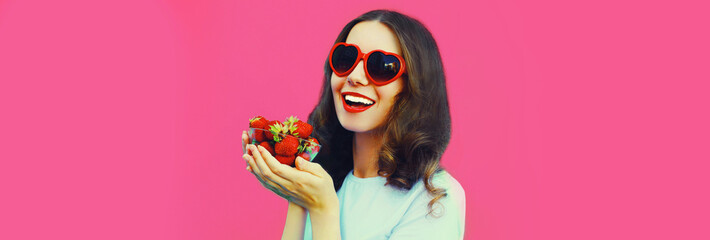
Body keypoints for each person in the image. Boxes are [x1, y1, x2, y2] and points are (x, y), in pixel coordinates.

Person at [241, 9, 465, 240]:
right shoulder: (323, 181)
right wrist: (295, 196)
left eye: (381, 66)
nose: (354, 76)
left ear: (414, 86)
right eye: (346, 59)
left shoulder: (435, 199)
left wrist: (323, 209)